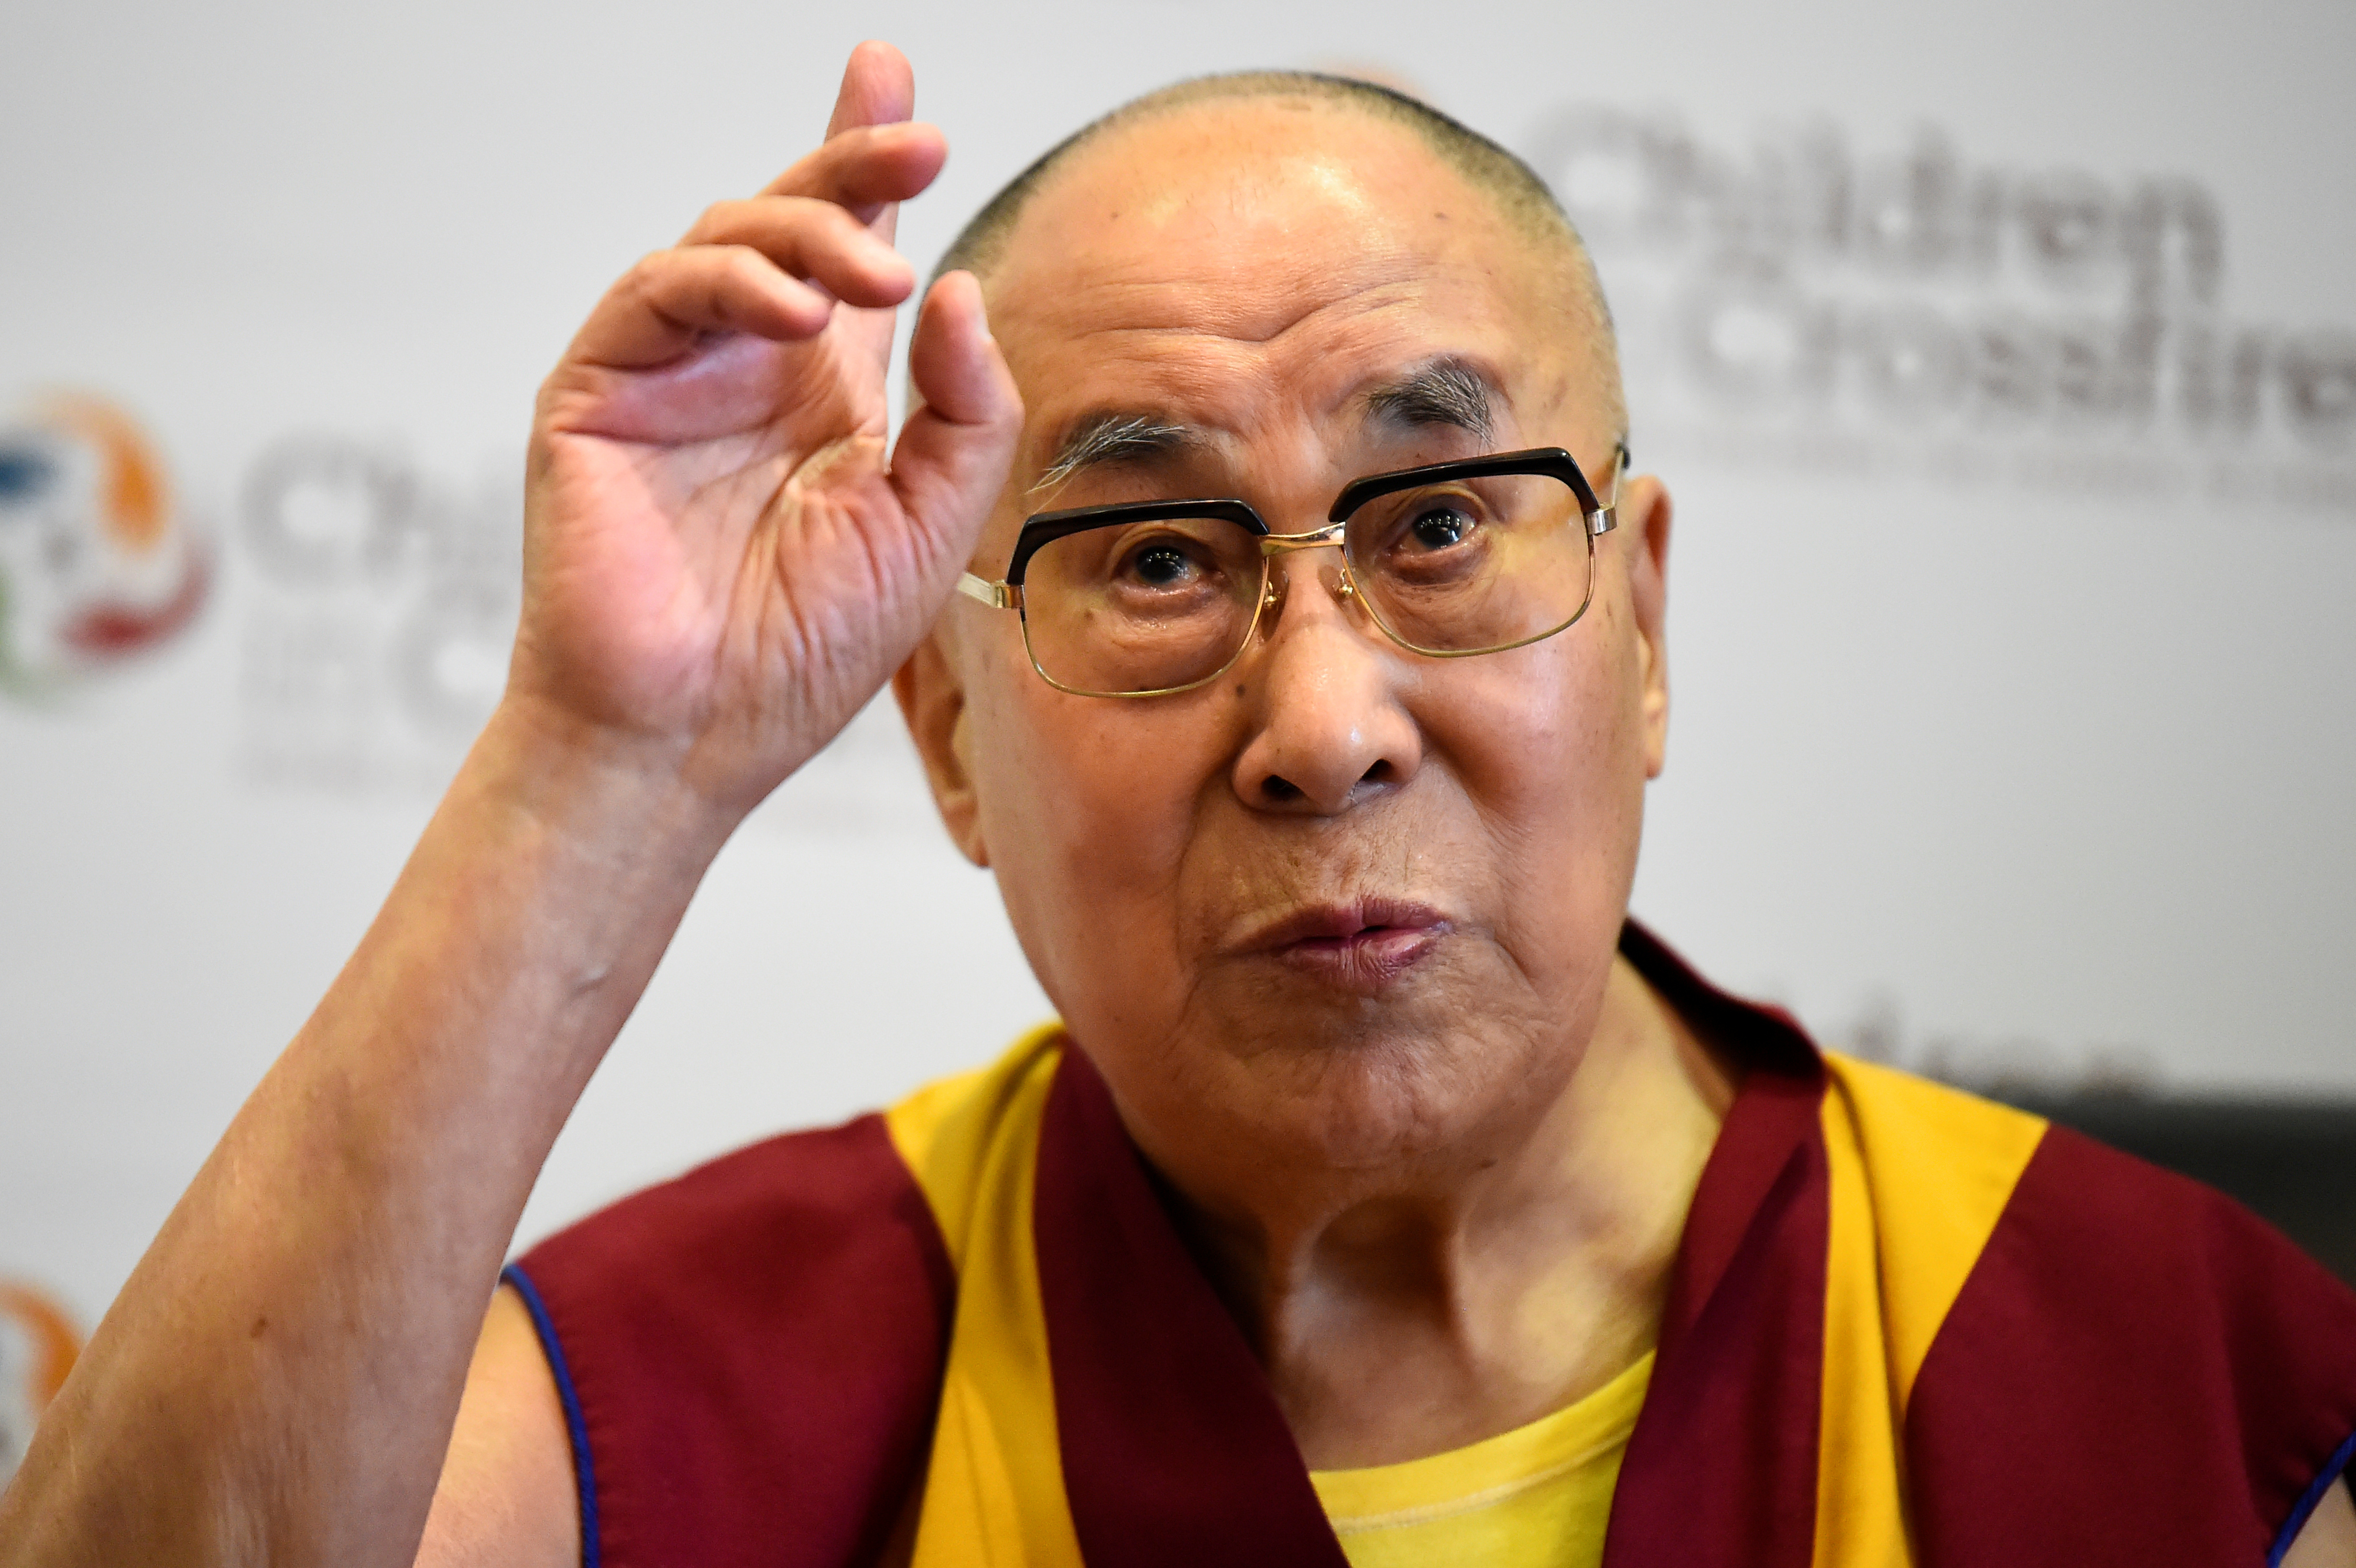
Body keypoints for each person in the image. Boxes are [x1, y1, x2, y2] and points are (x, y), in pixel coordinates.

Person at [2, 40, 2352, 1568]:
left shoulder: (2148, 1380)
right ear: (940, 738)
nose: (1318, 720)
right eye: (1149, 557)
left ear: (1639, 626)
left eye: (1440, 521)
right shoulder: (735, 1386)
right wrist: (597, 760)